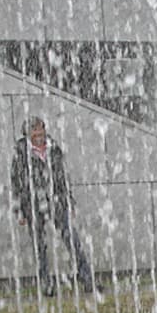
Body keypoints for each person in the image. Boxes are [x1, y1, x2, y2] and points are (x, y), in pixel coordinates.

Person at [9, 116, 97, 296]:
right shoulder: (21, 153)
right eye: (34, 131)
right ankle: (46, 284)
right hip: (32, 203)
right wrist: (19, 210)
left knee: (72, 240)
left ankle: (87, 279)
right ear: (27, 134)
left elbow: (63, 177)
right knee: (40, 246)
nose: (39, 134)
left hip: (56, 201)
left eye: (41, 129)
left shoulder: (54, 149)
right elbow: (16, 182)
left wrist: (69, 201)